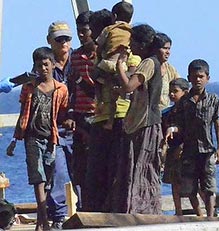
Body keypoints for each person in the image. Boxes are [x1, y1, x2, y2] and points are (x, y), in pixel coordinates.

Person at [7, 47, 69, 231]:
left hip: (51, 139)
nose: (43, 68)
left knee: (49, 180)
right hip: (32, 138)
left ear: (52, 65)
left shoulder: (61, 89)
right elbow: (23, 115)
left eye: (46, 64)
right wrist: (14, 140)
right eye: (39, 65)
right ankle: (44, 224)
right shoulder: (30, 88)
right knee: (38, 180)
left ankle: (42, 221)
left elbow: (63, 113)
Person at [83, 9, 131, 213]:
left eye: (93, 30)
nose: (92, 35)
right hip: (102, 115)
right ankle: (101, 211)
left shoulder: (126, 53)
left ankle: (113, 212)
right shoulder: (104, 51)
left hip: (120, 115)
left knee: (113, 170)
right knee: (98, 172)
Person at [113, 23, 164, 215]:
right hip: (140, 122)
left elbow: (129, 86)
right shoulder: (150, 63)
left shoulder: (149, 63)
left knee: (144, 167)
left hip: (146, 122)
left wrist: (120, 64)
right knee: (137, 167)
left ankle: (144, 209)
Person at [165, 59, 219, 217]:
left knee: (209, 185)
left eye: (201, 76)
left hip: (208, 149)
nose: (198, 79)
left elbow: (217, 124)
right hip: (190, 150)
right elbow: (179, 124)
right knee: (189, 187)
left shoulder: (213, 100)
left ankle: (211, 216)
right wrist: (173, 129)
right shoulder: (184, 101)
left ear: (207, 78)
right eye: (194, 76)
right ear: (189, 78)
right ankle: (199, 214)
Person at [67, 10, 97, 211]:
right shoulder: (75, 56)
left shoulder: (101, 55)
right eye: (78, 31)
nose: (81, 35)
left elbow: (96, 90)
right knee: (79, 167)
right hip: (80, 115)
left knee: (97, 165)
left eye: (84, 31)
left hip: (98, 116)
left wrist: (79, 79)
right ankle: (84, 206)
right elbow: (72, 89)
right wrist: (70, 112)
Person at [46, 21, 74, 229]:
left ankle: (85, 212)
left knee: (82, 173)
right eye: (59, 39)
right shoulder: (44, 65)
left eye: (66, 38)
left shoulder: (80, 59)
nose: (64, 42)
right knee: (58, 174)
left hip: (80, 127)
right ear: (50, 41)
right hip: (55, 128)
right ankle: (58, 217)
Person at [162, 78, 203, 216]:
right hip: (173, 149)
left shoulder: (190, 110)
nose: (172, 94)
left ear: (185, 92)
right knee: (175, 181)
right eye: (170, 92)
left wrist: (183, 145)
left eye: (175, 91)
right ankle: (178, 210)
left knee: (192, 184)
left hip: (188, 150)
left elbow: (191, 130)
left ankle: (203, 212)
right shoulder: (169, 113)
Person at [93, 1, 133, 130]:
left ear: (114, 16)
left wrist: (99, 55)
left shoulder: (109, 29)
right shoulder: (131, 32)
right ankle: (110, 121)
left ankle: (99, 101)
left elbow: (99, 45)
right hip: (122, 65)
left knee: (96, 76)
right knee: (114, 95)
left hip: (109, 62)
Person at [154, 33, 181, 111]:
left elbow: (181, 86)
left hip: (164, 114)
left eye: (169, 49)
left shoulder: (170, 69)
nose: (168, 52)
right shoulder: (148, 66)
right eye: (165, 48)